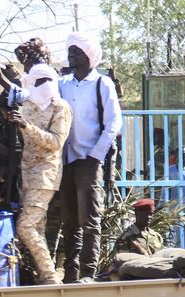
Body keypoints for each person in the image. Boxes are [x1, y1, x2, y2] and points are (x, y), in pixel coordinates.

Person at [58, 32, 122, 283]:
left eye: (76, 50)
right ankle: (70, 274)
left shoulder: (102, 83)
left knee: (89, 219)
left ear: (89, 56)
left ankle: (88, 272)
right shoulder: (63, 84)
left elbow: (114, 122)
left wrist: (97, 155)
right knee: (69, 221)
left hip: (89, 158)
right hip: (66, 159)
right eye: (70, 49)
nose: (71, 53)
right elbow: (38, 96)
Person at [7, 63, 72, 285]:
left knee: (24, 226)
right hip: (25, 174)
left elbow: (55, 142)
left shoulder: (59, 107)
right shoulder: (27, 104)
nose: (43, 85)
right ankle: (42, 274)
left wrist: (26, 126)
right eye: (38, 81)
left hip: (45, 175)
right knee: (36, 228)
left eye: (47, 80)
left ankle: (51, 276)